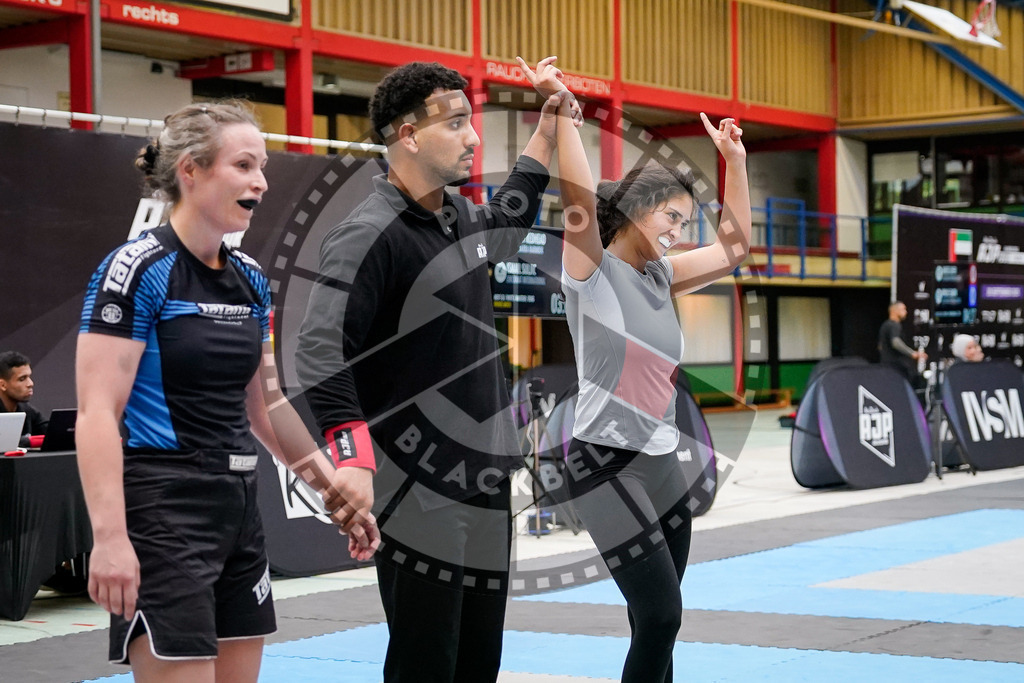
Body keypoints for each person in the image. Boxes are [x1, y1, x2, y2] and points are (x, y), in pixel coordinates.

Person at [76, 100, 378, 682]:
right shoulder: (137, 269)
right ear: (191, 171)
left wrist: (331, 491)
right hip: (163, 510)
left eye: (262, 166)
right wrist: (110, 538)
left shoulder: (251, 281)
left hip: (239, 508)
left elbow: (265, 404)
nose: (261, 181)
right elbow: (96, 413)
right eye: (243, 165)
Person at [295, 60, 573, 683]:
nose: (474, 137)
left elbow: (510, 217)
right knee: (428, 662)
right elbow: (319, 349)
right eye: (457, 123)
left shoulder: (460, 220)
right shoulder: (368, 234)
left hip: (485, 479)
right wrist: (354, 458)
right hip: (417, 490)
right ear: (408, 135)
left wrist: (548, 130)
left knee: (479, 662)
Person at [517, 58, 751, 683]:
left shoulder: (660, 274)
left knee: (659, 621)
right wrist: (566, 113)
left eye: (683, 219)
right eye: (670, 218)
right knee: (661, 614)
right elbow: (577, 199)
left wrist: (736, 162)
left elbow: (734, 250)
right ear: (634, 214)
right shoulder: (591, 270)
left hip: (661, 462)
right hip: (602, 464)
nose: (679, 231)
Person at [0, 350, 48, 446]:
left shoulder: (27, 410)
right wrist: (30, 441)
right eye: (22, 379)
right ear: (3, 385)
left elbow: (52, 434)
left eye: (29, 377)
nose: (30, 383)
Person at [878, 300, 926, 381]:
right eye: (903, 309)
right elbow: (895, 342)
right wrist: (913, 353)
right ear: (895, 311)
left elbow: (880, 346)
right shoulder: (894, 326)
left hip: (886, 366)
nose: (906, 312)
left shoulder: (885, 325)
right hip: (896, 368)